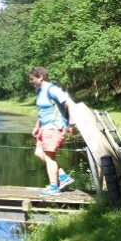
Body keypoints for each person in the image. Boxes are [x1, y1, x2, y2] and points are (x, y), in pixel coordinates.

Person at [28, 67, 77, 196]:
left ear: (41, 77)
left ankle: (54, 188)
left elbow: (70, 104)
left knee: (50, 158)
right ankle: (63, 176)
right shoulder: (40, 91)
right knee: (39, 153)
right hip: (44, 128)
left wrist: (72, 124)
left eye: (32, 79)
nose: (30, 81)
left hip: (54, 127)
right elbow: (43, 112)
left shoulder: (53, 90)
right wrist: (36, 126)